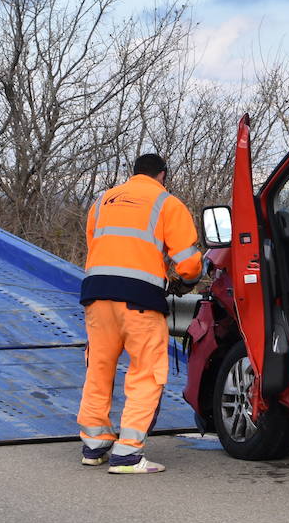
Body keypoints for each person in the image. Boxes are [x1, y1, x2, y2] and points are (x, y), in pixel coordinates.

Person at [78, 153, 202, 474]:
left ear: (133, 173)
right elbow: (188, 262)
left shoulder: (103, 201)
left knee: (99, 367)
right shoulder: (167, 203)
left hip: (96, 294)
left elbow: (95, 245)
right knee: (146, 372)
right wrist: (184, 282)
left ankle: (95, 445)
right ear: (162, 175)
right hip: (140, 299)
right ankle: (128, 454)